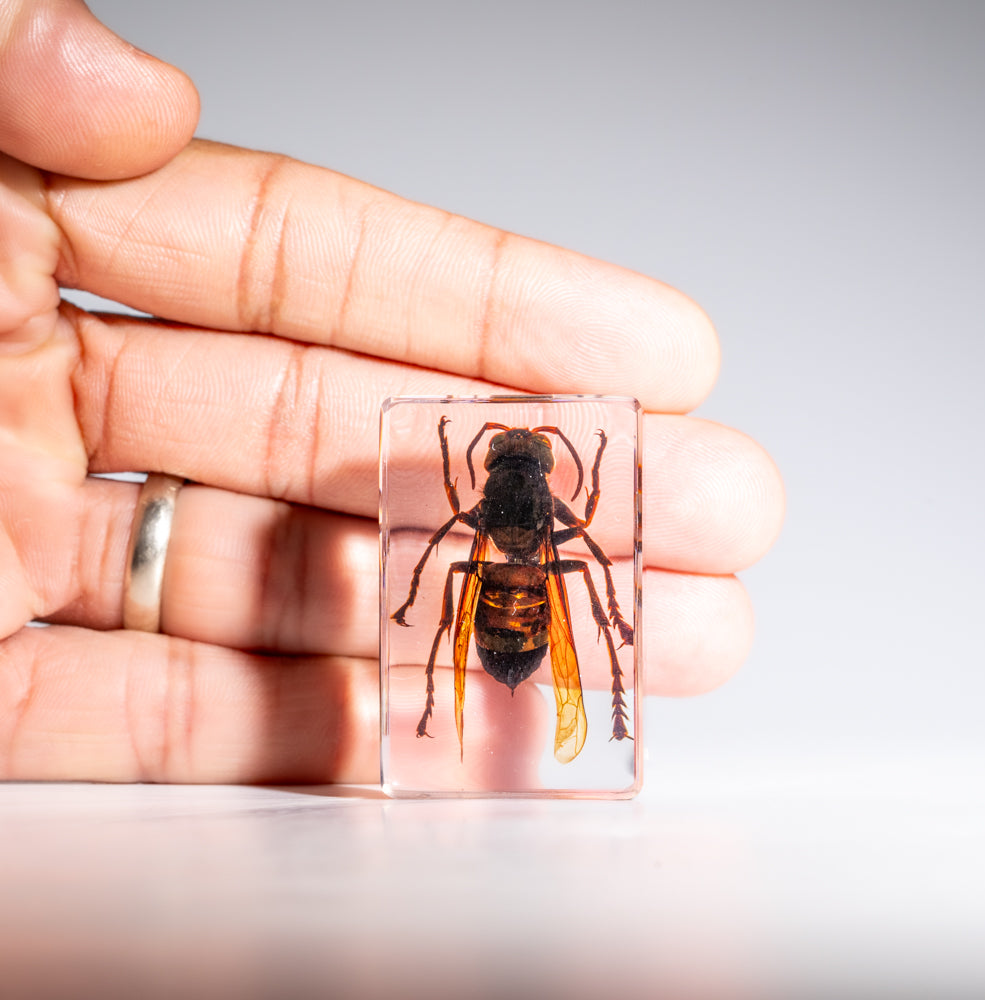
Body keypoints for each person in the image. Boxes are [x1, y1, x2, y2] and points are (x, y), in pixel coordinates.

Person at [0, 0, 783, 784]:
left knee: (463, 576)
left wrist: (439, 506)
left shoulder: (481, 513)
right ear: (545, 476)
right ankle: (530, 704)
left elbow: (449, 502)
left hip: (500, 599)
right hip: (515, 599)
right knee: (576, 585)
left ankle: (471, 702)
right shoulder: (547, 516)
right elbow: (552, 531)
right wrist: (593, 462)